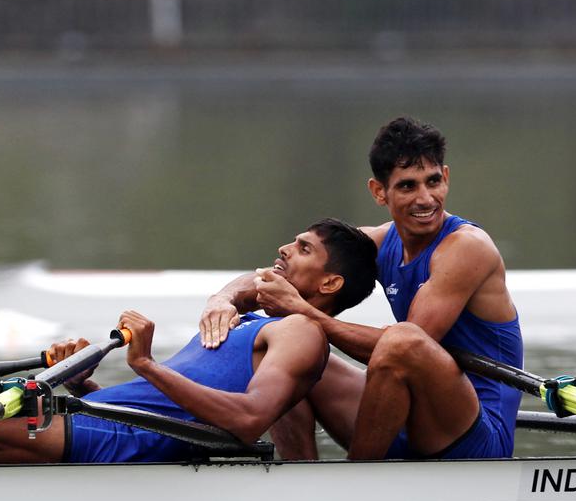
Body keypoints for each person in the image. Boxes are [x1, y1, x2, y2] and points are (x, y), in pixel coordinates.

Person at [0, 218, 378, 467]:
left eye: (303, 249)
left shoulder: (302, 333)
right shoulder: (251, 319)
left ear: (328, 285)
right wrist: (81, 379)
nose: (285, 247)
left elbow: (248, 420)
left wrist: (145, 364)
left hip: (127, 442)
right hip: (106, 416)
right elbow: (160, 396)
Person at [200, 117, 523, 461]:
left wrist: (302, 309)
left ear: (446, 177)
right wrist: (223, 299)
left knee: (401, 340)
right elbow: (280, 277)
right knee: (280, 340)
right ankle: (300, 482)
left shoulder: (466, 248)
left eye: (433, 182)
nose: (426, 199)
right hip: (402, 419)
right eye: (408, 186)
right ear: (378, 191)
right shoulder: (381, 241)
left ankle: (358, 479)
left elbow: (408, 346)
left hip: (474, 435)